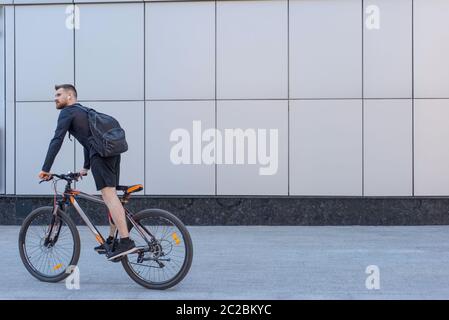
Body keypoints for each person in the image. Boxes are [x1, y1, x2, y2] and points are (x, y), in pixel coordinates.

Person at [38, 84, 137, 261]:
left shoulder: (67, 112)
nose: (55, 98)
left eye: (58, 94)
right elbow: (89, 139)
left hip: (101, 155)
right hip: (112, 154)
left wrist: (45, 169)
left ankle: (126, 241)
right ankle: (111, 240)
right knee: (111, 196)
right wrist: (85, 167)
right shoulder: (83, 111)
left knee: (108, 196)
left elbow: (56, 140)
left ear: (70, 97)